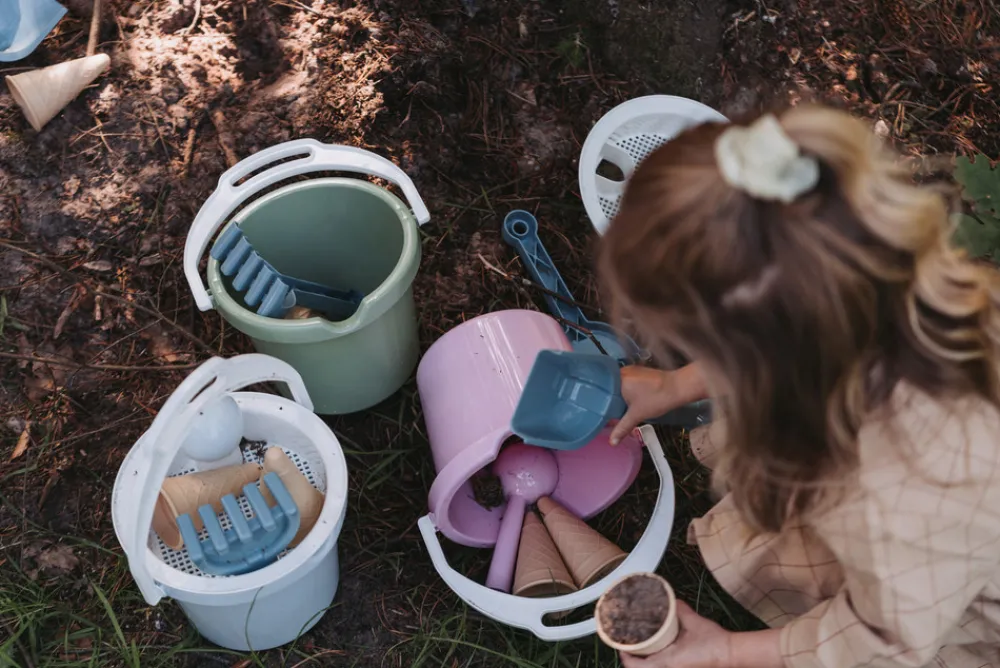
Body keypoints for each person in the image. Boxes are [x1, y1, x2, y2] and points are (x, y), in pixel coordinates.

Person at [598, 106, 1000, 668]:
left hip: (939, 601)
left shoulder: (910, 497)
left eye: (698, 348)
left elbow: (883, 641)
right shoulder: (869, 287)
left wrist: (726, 651)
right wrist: (675, 383)